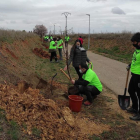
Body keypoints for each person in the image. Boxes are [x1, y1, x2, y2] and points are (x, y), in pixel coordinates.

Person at [126, 32, 140, 121]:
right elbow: (135, 60)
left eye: (135, 42)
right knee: (130, 90)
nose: (133, 44)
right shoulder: (137, 50)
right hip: (134, 74)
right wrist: (130, 65)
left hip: (139, 76)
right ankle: (134, 107)